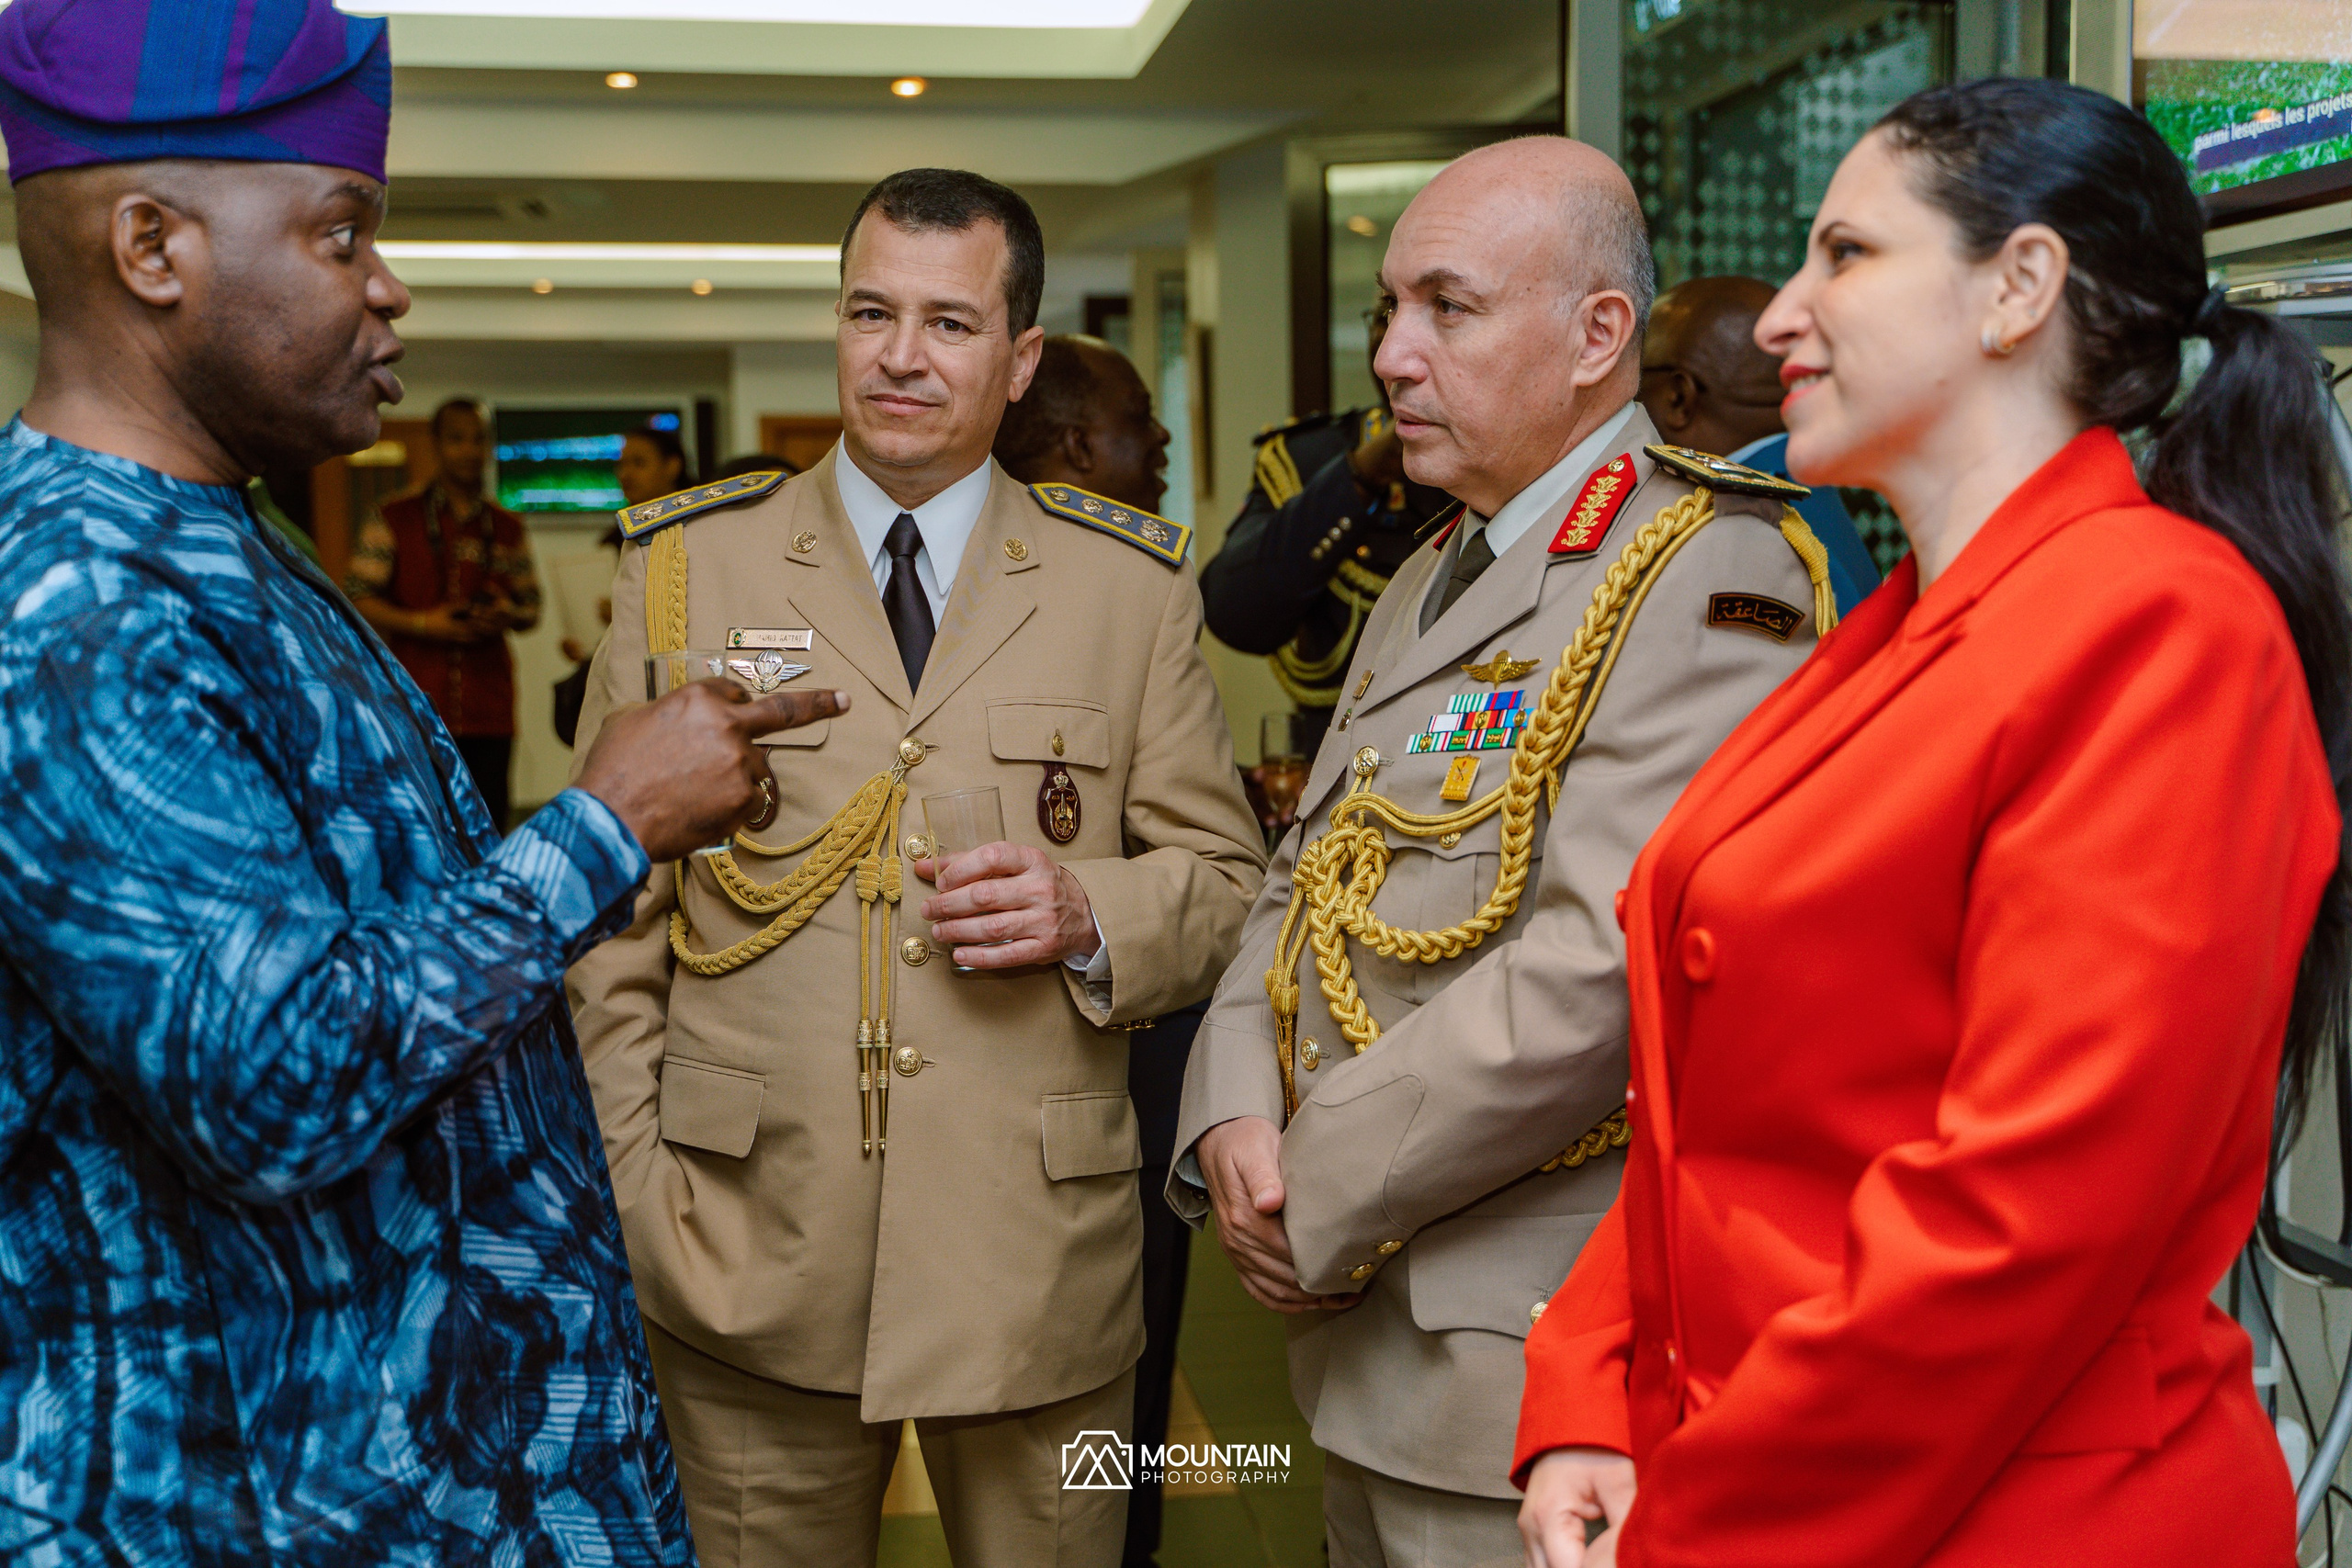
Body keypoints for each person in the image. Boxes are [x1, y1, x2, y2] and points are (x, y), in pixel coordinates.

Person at [0, 1, 846, 1562]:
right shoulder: (75, 601)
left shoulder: (219, 539)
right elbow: (274, 1078)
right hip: (266, 1502)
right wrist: (607, 827)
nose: (389, 286)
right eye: (341, 234)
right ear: (150, 246)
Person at [1514, 77, 2349, 1568]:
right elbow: (1719, 1111)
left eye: (1845, 256)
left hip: (2015, 1516)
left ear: (2019, 287)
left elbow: (2020, 1220)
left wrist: (1701, 1526)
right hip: (1802, 1470)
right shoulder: (1903, 627)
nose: (1778, 318)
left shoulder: (2161, 629)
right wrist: (1594, 1385)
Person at [566, 166, 1268, 1568]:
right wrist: (638, 1182)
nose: (898, 355)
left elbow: (1227, 882)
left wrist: (1089, 909)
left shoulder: (1126, 590)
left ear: (1018, 365)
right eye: (869, 311)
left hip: (1035, 1252)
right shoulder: (686, 571)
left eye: (948, 325)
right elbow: (606, 913)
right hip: (741, 1241)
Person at [1170, 135, 1845, 1567]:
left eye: (1448, 309)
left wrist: (1313, 1187)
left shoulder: (1709, 568)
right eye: (1388, 313)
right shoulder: (1435, 565)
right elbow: (1311, 872)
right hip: (1361, 1343)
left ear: (1601, 334)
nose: (1396, 359)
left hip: (1528, 1367)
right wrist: (1229, 1110)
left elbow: (1604, 965)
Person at [993, 331, 1191, 1568]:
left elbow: (1202, 857)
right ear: (1074, 445)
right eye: (1141, 433)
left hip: (1126, 1050)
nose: (1162, 451)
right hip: (1014, 1075)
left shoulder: (1149, 590)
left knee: (1129, 1381)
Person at [1199, 299, 1454, 764]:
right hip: (1339, 766)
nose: (1395, 336)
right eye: (1385, 311)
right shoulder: (1307, 458)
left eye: (1442, 309)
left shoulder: (1526, 462)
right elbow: (1233, 613)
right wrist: (1356, 478)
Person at [347, 396, 541, 827]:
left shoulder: (507, 525)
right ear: (435, 444)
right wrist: (423, 623)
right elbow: (357, 597)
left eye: (478, 441)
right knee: (419, 826)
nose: (469, 452)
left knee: (489, 825)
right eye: (457, 440)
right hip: (414, 700)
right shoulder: (392, 515)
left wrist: (506, 612)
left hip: (490, 707)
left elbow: (532, 609)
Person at [1637, 275, 1879, 612]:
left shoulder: (1736, 525)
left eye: (1635, 375)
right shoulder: (1809, 495)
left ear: (1678, 398)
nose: (1628, 399)